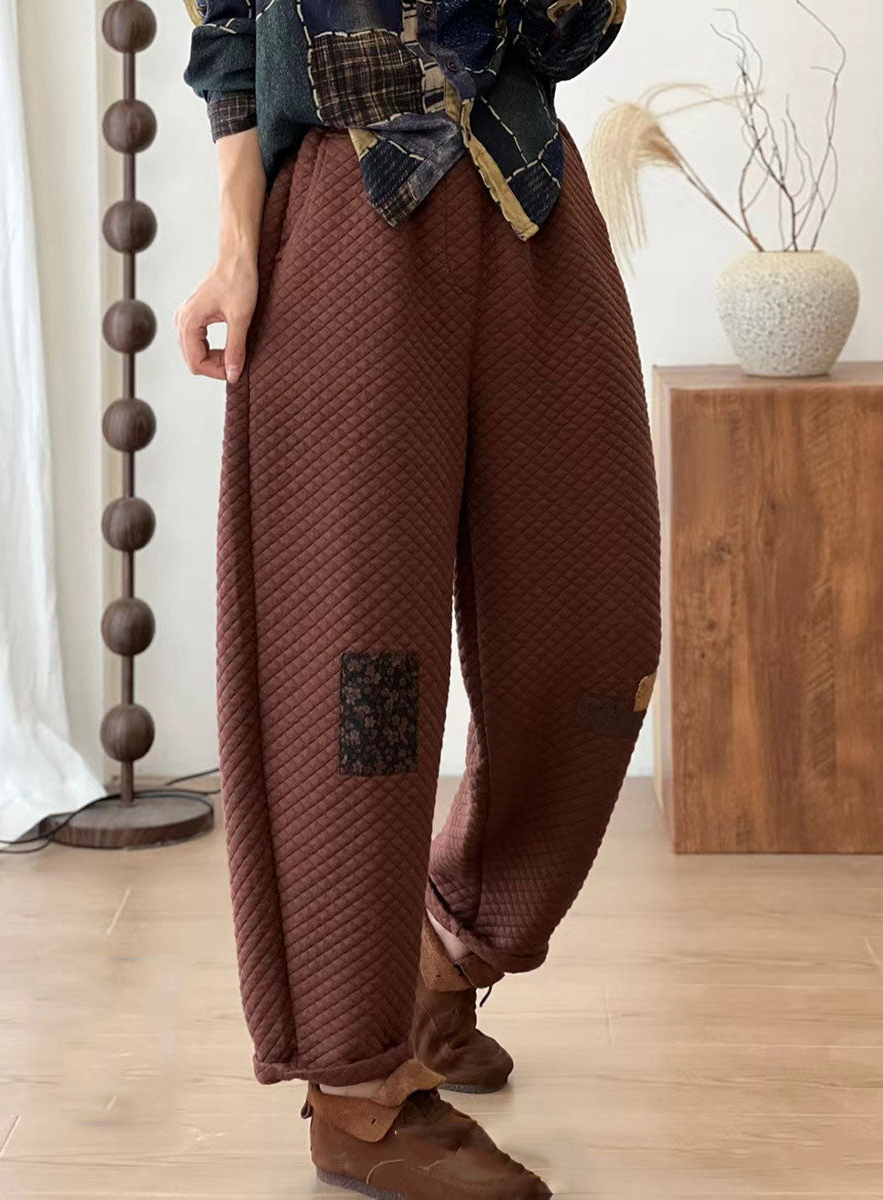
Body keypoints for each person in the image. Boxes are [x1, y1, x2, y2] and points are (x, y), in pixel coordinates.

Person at [176, 2, 660, 1196]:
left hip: (530, 188)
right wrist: (237, 238)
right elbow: (228, 26)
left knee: (598, 636)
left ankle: (448, 950)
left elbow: (578, 31)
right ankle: (358, 1087)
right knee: (362, 676)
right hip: (347, 203)